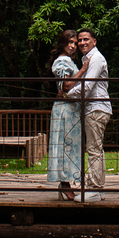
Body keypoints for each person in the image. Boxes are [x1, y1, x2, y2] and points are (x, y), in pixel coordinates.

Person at [69, 27, 111, 202]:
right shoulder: (87, 59)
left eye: (86, 39)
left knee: (94, 150)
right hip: (93, 108)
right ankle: (97, 189)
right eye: (80, 40)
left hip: (96, 108)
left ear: (94, 41)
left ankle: (94, 189)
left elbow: (87, 86)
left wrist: (67, 94)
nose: (82, 43)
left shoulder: (96, 59)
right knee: (95, 148)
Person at [47, 29, 88, 200]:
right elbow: (66, 86)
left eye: (75, 43)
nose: (73, 46)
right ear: (62, 43)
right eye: (70, 42)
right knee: (65, 145)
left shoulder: (69, 61)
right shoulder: (62, 61)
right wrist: (83, 70)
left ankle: (67, 183)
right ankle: (64, 184)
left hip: (71, 108)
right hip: (65, 109)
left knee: (69, 146)